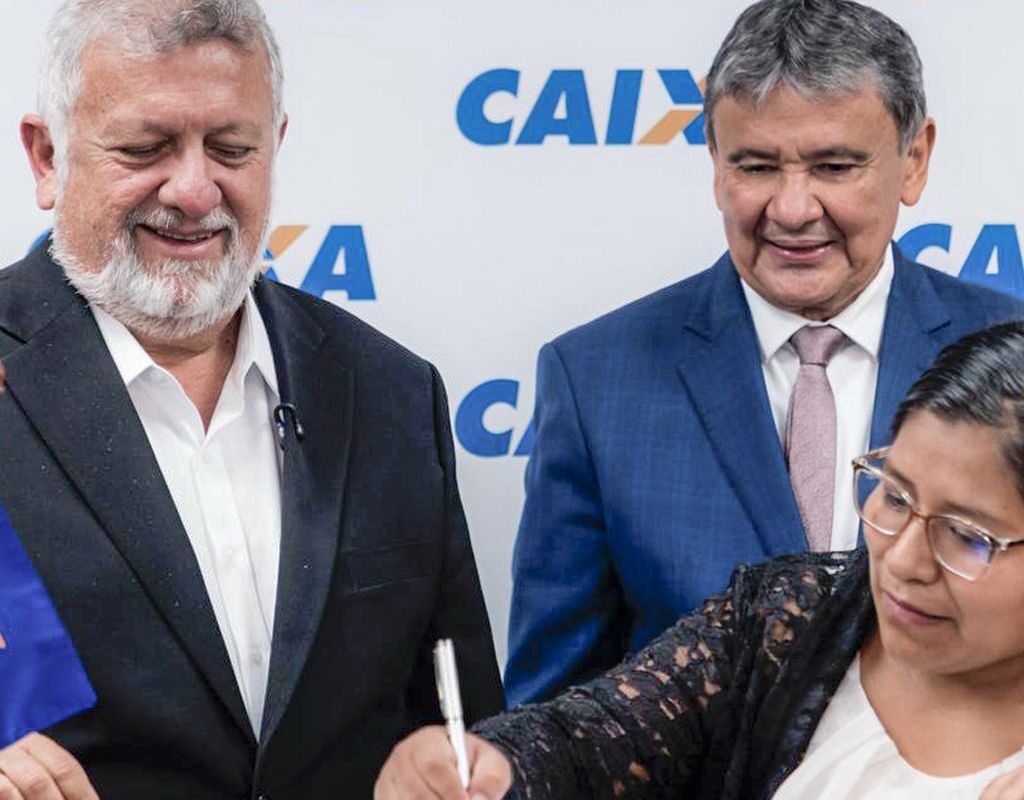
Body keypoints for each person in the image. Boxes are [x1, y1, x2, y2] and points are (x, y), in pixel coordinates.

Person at [0, 1, 503, 798]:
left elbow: (464, 723)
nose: (196, 191)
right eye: (145, 148)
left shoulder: (390, 391)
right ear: (47, 157)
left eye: (232, 149)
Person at [504, 0, 1024, 706]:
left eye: (834, 166)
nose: (791, 209)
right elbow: (550, 718)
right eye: (756, 166)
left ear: (915, 159)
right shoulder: (596, 381)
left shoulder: (1010, 355)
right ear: (716, 164)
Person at [378, 319, 1024, 799]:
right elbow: (589, 740)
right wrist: (490, 766)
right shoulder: (782, 624)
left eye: (966, 536)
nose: (905, 561)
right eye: (895, 496)